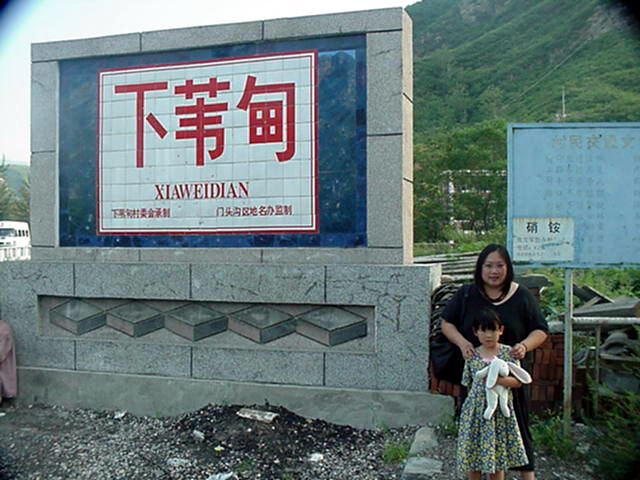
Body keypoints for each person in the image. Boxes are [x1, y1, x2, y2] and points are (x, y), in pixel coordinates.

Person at [441, 244, 548, 480]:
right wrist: (462, 343)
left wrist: (524, 346)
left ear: (508, 268)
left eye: (500, 265)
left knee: (518, 426)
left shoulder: (521, 295)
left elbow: (540, 330)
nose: (494, 271)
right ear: (480, 268)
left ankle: (527, 475)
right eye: (488, 265)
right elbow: (446, 323)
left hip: (511, 375)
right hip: (478, 377)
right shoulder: (468, 294)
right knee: (478, 433)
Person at [456, 308, 529, 480]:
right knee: (473, 457)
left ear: (500, 330)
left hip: (499, 414)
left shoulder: (508, 353)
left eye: (492, 329)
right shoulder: (472, 355)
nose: (488, 335)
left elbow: (519, 381)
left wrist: (496, 380)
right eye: (483, 330)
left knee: (497, 456)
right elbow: (467, 383)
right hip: (475, 413)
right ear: (476, 332)